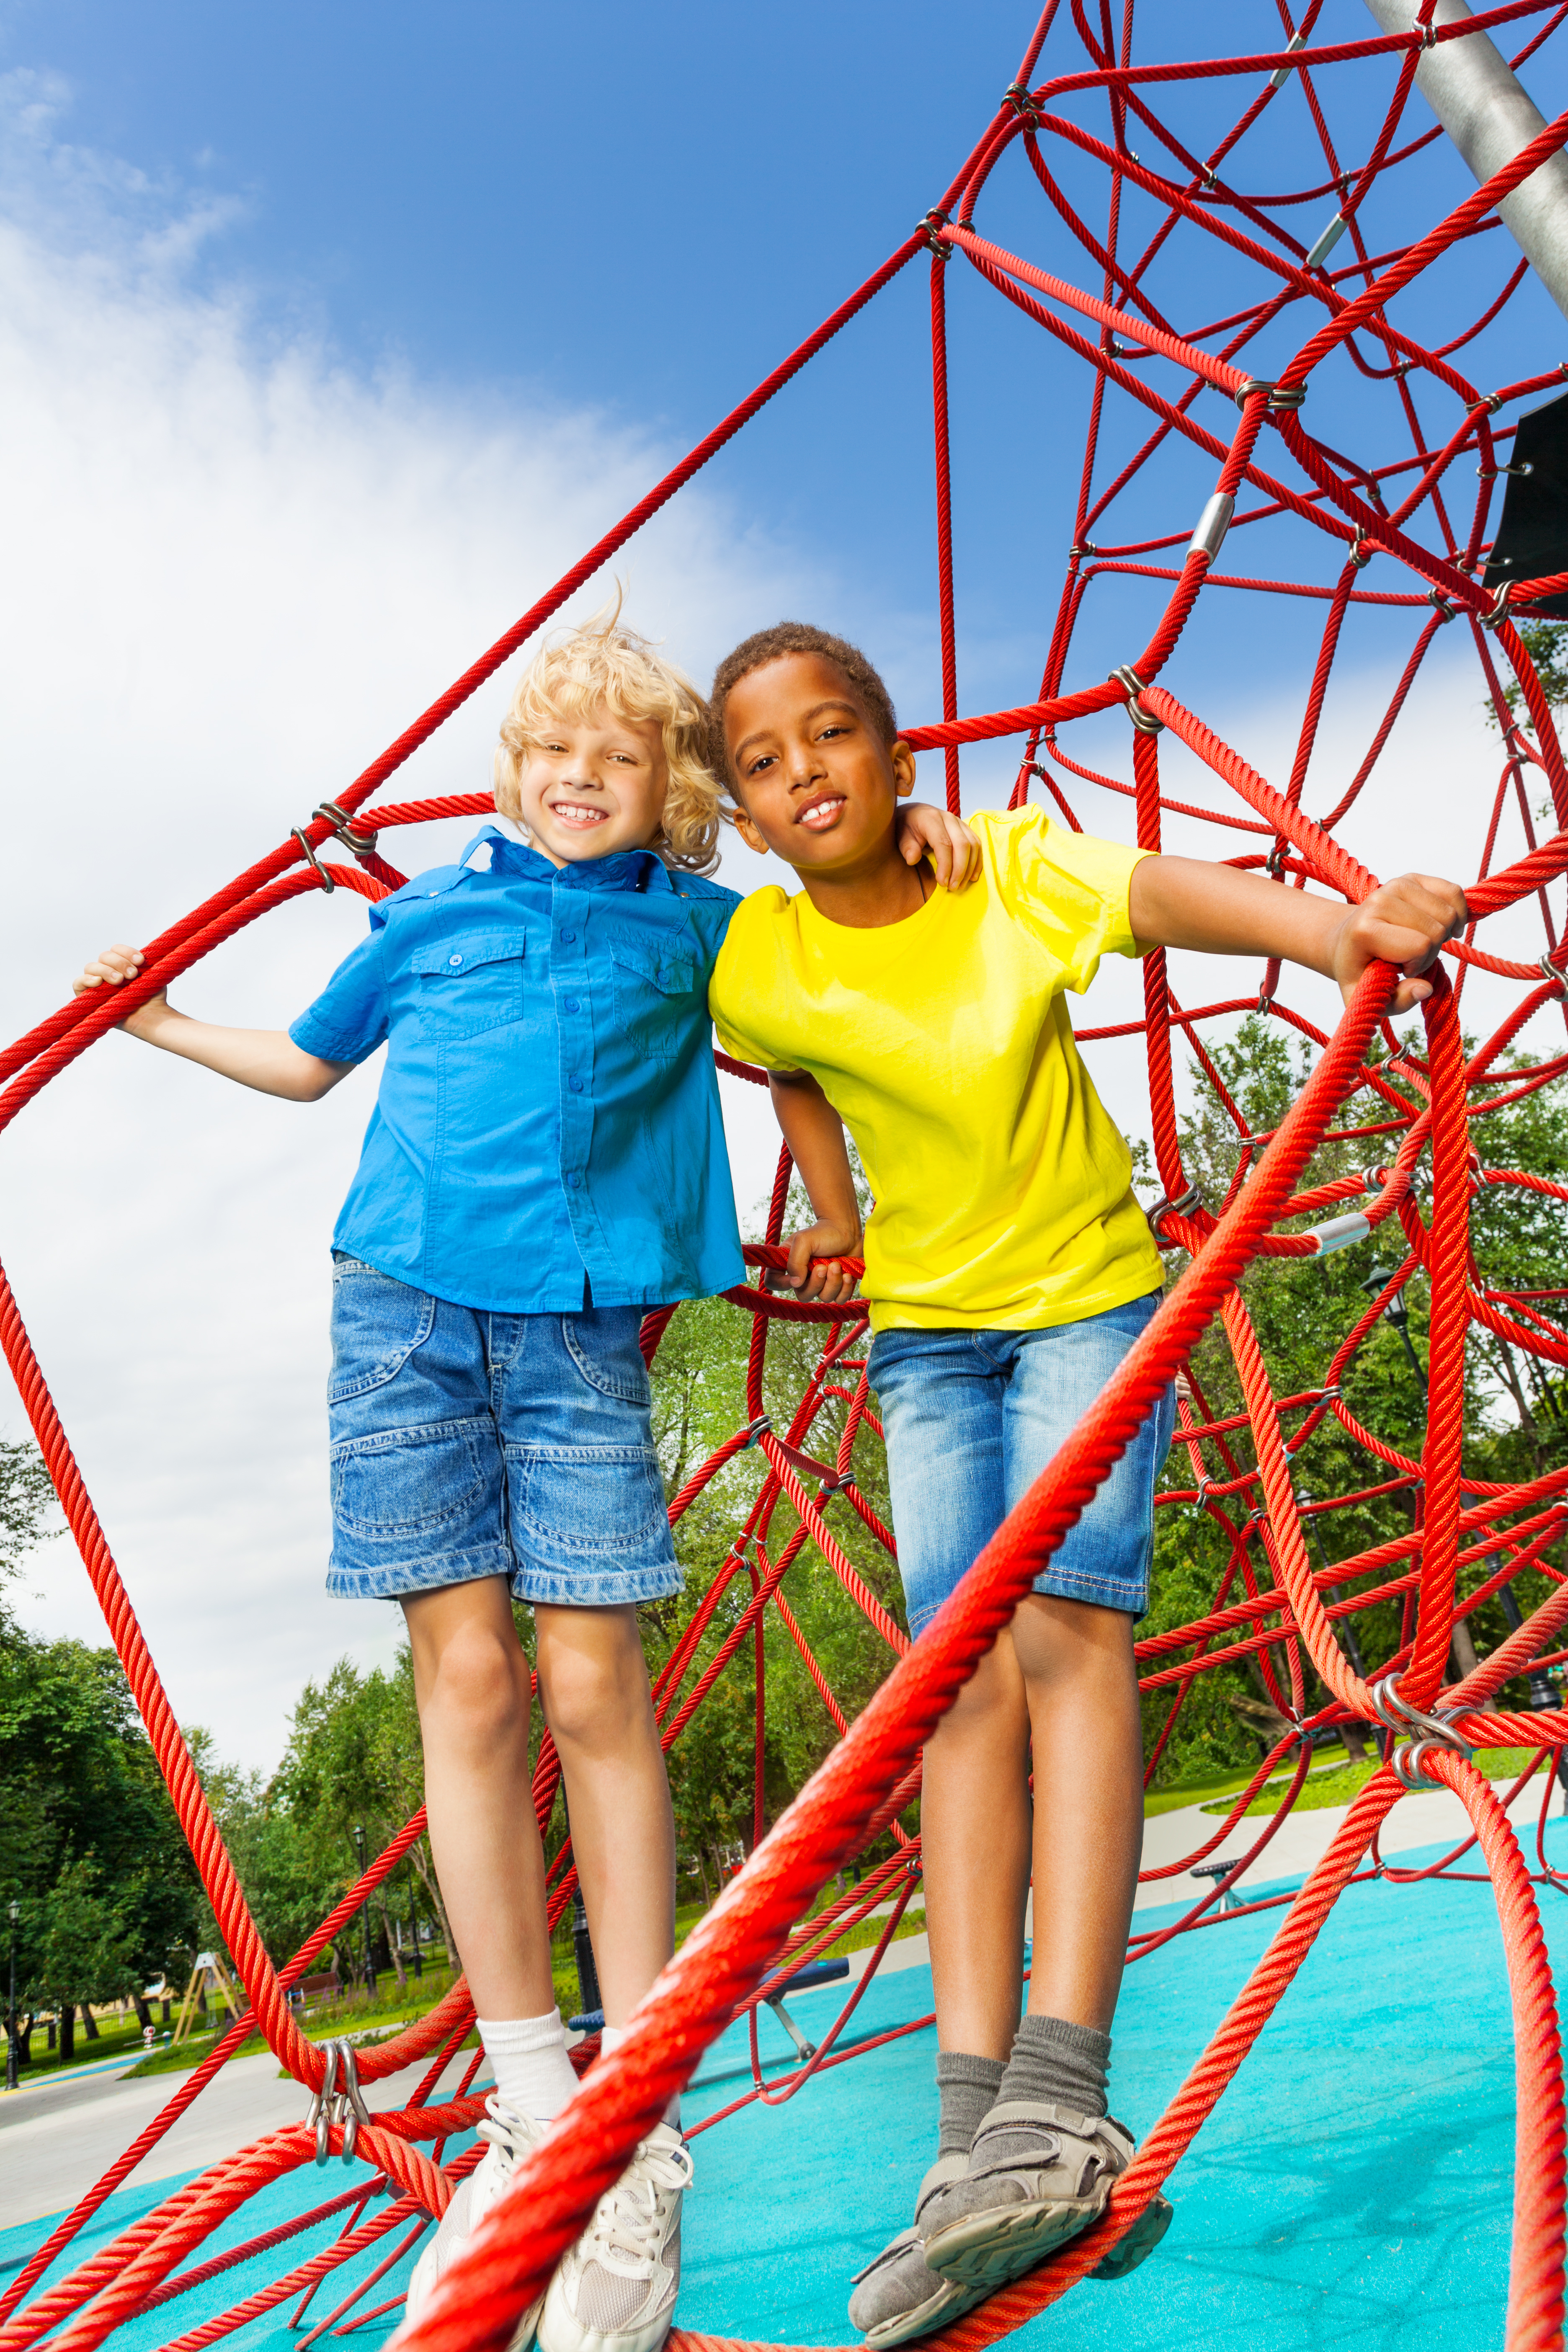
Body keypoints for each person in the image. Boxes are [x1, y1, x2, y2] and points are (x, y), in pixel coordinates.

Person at [73, 612, 976, 2352]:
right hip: (398, 1309)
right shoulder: (424, 917)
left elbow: (815, 1015)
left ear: (669, 801)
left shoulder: (707, 932)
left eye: (621, 761)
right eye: (554, 752)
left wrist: (926, 868)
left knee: (590, 1680)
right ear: (510, 772)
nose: (580, 778)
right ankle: (525, 2099)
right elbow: (308, 1064)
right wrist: (164, 1019)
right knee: (466, 1682)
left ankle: (633, 2119)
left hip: (574, 1341)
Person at [704, 621, 1466, 2348]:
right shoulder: (753, 953)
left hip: (1086, 1305)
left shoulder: (1009, 874)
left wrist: (1339, 926)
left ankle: (1065, 2091)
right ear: (743, 813)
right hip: (929, 1337)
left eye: (836, 734)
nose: (806, 770)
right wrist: (822, 1191)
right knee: (948, 1694)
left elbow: (1165, 895)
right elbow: (760, 1038)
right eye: (765, 761)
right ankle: (973, 2149)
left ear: (900, 762)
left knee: (1065, 1633)